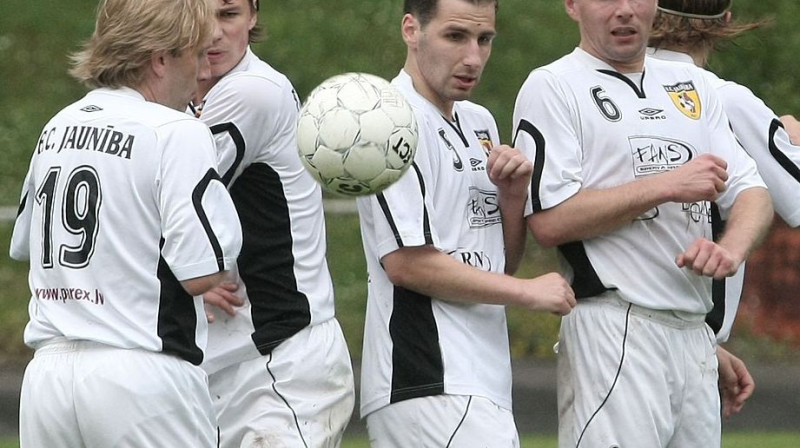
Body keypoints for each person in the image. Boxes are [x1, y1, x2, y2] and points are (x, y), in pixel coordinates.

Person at [512, 0, 774, 446]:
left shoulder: (692, 84)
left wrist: (730, 249)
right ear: (573, 5)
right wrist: (665, 185)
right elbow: (550, 222)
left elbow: (753, 193)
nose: (625, 11)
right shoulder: (553, 86)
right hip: (616, 331)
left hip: (694, 335)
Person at [8, 0, 242, 446]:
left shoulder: (57, 126)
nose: (201, 73)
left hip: (47, 381)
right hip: (142, 377)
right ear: (159, 59)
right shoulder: (176, 131)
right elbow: (205, 273)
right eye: (194, 54)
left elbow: (24, 245)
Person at [355, 0, 577, 446]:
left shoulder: (478, 123)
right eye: (455, 36)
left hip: (477, 379)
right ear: (411, 30)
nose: (473, 57)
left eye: (485, 39)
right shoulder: (389, 121)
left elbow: (497, 267)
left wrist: (512, 198)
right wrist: (528, 293)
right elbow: (407, 264)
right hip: (426, 378)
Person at [189, 0, 355, 446]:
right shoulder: (181, 100)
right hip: (226, 360)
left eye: (228, 14)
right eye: (199, 13)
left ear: (254, 16)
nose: (213, 33)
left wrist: (187, 274)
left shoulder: (253, 90)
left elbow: (173, 201)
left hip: (284, 361)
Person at [648, 0, 800, 420]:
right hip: (688, 329)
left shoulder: (605, 92)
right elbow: (795, 197)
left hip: (622, 322)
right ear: (725, 22)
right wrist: (787, 134)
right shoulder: (722, 97)